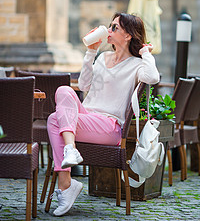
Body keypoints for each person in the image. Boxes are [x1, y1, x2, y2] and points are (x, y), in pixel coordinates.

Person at [47, 12, 160, 216]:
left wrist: (146, 53)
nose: (109, 30)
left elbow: (152, 77)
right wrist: (91, 53)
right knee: (63, 91)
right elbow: (83, 85)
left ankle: (66, 183)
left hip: (110, 126)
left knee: (54, 120)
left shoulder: (136, 64)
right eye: (110, 25)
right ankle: (70, 151)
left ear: (128, 35)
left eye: (115, 27)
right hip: (88, 118)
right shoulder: (102, 57)